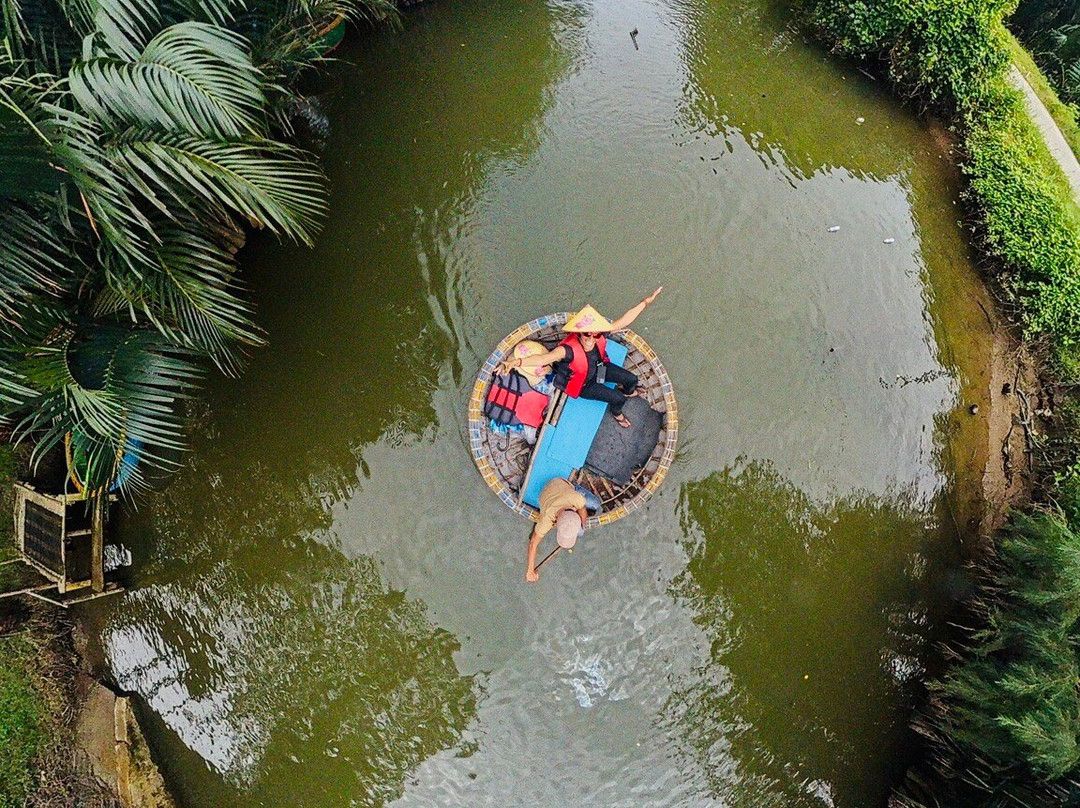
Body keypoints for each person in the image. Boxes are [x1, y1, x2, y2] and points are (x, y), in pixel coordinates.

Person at [502, 287, 663, 428]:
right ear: (580, 333)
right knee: (617, 399)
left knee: (631, 379)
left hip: (599, 369)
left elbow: (623, 321)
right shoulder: (567, 350)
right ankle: (617, 413)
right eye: (587, 334)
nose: (591, 338)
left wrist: (645, 302)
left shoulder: (599, 335)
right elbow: (543, 360)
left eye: (595, 334)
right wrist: (517, 361)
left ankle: (629, 391)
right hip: (584, 385)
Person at [526, 476, 601, 582]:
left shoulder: (576, 498)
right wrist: (529, 571)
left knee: (596, 505)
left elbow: (582, 509)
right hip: (554, 485)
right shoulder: (547, 520)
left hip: (560, 487)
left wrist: (583, 525)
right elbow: (533, 543)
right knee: (583, 527)